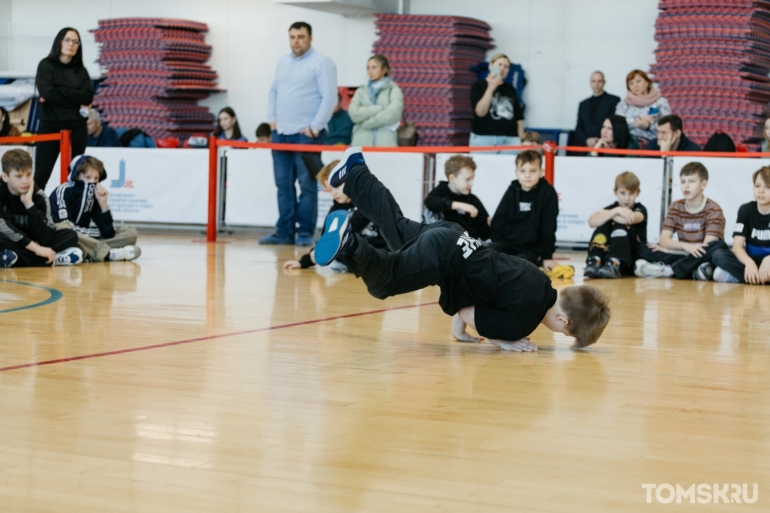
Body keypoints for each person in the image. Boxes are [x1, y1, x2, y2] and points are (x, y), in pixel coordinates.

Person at [309, 147, 611, 352]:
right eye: (564, 335)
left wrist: (459, 334)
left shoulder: (538, 277)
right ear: (563, 321)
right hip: (442, 258)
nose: (558, 334)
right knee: (385, 282)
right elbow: (468, 310)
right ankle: (351, 243)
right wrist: (503, 341)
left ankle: (357, 171)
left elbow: (477, 293)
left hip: (454, 236)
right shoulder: (524, 319)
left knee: (397, 229)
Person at [263, 21, 337, 246]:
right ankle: (283, 232)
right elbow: (274, 91)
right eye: (293, 36)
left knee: (307, 185)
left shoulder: (322, 63)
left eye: (301, 36)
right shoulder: (283, 62)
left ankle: (304, 233)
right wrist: (271, 119)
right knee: (283, 185)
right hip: (281, 133)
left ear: (310, 38)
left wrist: (315, 126)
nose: (296, 41)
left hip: (307, 135)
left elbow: (330, 97)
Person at [284, 160, 385, 272]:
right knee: (335, 249)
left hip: (381, 253)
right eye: (330, 189)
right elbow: (326, 238)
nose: (334, 193)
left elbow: (353, 226)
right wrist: (303, 262)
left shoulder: (368, 200)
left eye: (336, 187)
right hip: (359, 257)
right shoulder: (335, 210)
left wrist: (331, 242)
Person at [635, 162, 727, 280]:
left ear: (703, 184)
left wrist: (671, 249)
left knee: (717, 247)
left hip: (702, 255)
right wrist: (683, 247)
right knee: (643, 247)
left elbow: (706, 247)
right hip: (686, 253)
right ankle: (693, 269)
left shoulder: (713, 209)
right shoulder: (676, 206)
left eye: (691, 181)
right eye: (683, 181)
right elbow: (663, 240)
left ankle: (669, 269)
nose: (686, 186)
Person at [49, 155, 141, 262]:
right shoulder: (63, 191)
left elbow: (109, 233)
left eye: (96, 178)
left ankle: (89, 251)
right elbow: (67, 227)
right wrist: (97, 234)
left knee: (131, 232)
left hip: (85, 238)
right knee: (70, 233)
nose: (92, 182)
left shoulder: (94, 193)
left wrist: (103, 204)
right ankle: (108, 253)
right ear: (76, 176)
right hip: (63, 236)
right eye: (87, 177)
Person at [0, 149, 82, 268]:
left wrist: (29, 205)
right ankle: (49, 259)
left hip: (29, 241)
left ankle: (13, 258)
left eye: (28, 174)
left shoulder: (40, 197)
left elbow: (46, 237)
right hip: (13, 239)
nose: (25, 181)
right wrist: (37, 249)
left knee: (70, 235)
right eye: (18, 176)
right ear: (5, 177)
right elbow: (3, 227)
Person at [34, 27, 93, 189]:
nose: (71, 44)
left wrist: (58, 92)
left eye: (75, 41)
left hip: (77, 127)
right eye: (67, 40)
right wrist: (75, 97)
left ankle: (72, 212)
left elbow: (88, 97)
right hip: (50, 125)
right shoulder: (46, 65)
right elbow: (47, 92)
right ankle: (33, 212)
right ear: (59, 41)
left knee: (76, 175)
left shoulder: (81, 71)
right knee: (41, 175)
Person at [488, 150, 559, 270]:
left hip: (532, 249)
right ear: (516, 172)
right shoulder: (512, 189)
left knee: (520, 267)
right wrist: (496, 241)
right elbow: (499, 218)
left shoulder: (548, 192)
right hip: (507, 244)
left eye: (532, 171)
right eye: (523, 171)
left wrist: (547, 256)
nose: (527, 175)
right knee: (487, 254)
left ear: (541, 172)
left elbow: (549, 226)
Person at [584, 172, 647, 279]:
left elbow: (627, 220)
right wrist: (617, 210)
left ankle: (615, 263)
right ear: (615, 192)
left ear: (638, 193)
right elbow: (592, 222)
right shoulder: (613, 208)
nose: (627, 198)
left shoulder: (640, 209)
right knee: (603, 223)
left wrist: (606, 214)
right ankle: (596, 260)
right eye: (622, 193)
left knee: (616, 224)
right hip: (607, 255)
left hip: (630, 257)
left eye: (631, 193)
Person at [712, 167, 770, 284]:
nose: (761, 191)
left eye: (767, 187)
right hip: (750, 261)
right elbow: (737, 247)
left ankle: (743, 277)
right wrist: (749, 263)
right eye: (758, 186)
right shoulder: (746, 210)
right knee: (718, 254)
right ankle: (756, 276)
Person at [424, 155, 491, 241]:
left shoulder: (473, 200)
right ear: (452, 178)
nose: (471, 183)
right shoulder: (441, 191)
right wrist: (460, 205)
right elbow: (429, 201)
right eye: (467, 179)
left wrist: (490, 226)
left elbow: (484, 234)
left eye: (472, 179)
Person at [469, 53, 525, 152]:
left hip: (510, 140)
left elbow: (519, 117)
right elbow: (480, 112)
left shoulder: (510, 88)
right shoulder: (478, 86)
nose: (502, 68)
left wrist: (521, 140)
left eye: (506, 66)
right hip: (484, 139)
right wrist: (491, 87)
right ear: (491, 65)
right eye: (499, 65)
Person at [348, 55, 403, 147]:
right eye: (368, 68)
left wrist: (367, 123)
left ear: (384, 69)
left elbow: (393, 114)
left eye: (374, 67)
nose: (370, 71)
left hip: (385, 143)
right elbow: (354, 113)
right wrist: (378, 109)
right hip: (361, 143)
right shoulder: (361, 91)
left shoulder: (393, 90)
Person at [615, 70, 670, 146]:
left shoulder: (661, 102)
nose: (635, 85)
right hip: (628, 143)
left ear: (647, 82)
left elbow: (667, 127)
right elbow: (618, 125)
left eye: (638, 81)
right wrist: (640, 121)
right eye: (631, 83)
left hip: (654, 143)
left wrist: (648, 125)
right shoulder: (623, 104)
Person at [572, 71, 621, 148]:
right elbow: (579, 127)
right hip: (584, 145)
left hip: (605, 144)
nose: (596, 84)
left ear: (604, 82)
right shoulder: (583, 104)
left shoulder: (613, 100)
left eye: (599, 81)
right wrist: (586, 140)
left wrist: (600, 140)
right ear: (590, 83)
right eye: (593, 81)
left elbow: (614, 125)